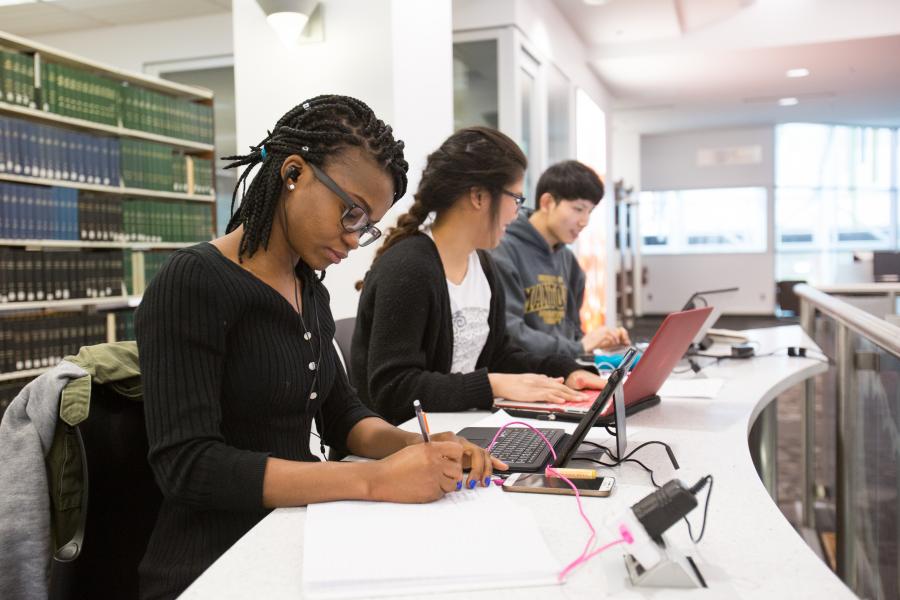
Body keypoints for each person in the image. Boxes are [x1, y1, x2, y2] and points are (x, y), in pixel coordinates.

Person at [135, 96, 503, 600]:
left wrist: (419, 447)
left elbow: (342, 415)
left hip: (296, 532)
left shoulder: (308, 286)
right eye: (351, 213)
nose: (354, 240)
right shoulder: (193, 281)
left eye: (367, 225)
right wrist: (374, 483)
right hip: (213, 563)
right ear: (293, 173)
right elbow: (190, 466)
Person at [350, 127, 606, 426]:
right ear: (479, 196)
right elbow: (393, 390)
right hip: (397, 449)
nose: (517, 213)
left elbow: (499, 354)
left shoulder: (483, 264)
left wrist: (565, 370)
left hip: (457, 432)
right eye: (516, 199)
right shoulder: (409, 267)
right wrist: (491, 385)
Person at [491, 160, 630, 358]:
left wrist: (599, 344)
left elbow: (571, 333)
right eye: (578, 209)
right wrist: (579, 347)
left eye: (589, 212)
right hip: (524, 377)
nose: (584, 221)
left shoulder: (568, 260)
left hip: (563, 371)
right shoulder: (502, 250)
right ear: (547, 203)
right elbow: (510, 333)